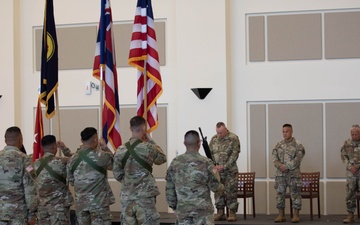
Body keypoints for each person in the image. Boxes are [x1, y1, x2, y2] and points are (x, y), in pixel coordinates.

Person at [113, 116, 167, 225]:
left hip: (127, 197)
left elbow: (117, 174)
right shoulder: (149, 147)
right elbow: (162, 159)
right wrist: (151, 140)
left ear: (130, 128)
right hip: (145, 197)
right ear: (144, 129)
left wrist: (129, 182)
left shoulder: (120, 150)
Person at [166, 130, 224, 225]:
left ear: (184, 143)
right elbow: (217, 188)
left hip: (183, 212)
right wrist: (221, 185)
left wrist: (173, 206)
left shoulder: (175, 163)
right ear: (199, 143)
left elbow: (169, 189)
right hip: (203, 214)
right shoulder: (207, 163)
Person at [67, 127, 115, 225]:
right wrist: (105, 147)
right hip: (99, 204)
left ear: (81, 140)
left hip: (81, 204)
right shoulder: (101, 156)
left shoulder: (72, 159)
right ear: (95, 140)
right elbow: (115, 164)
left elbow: (71, 181)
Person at [31, 135, 74, 224]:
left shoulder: (33, 165)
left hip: (42, 208)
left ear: (42, 147)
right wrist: (65, 149)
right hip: (59, 208)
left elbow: (31, 178)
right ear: (55, 147)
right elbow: (79, 159)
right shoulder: (63, 161)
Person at [0, 126, 37, 225]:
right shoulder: (25, 160)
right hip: (18, 214)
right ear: (21, 139)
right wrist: (32, 214)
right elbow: (30, 188)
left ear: (5, 140)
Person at [272, 124, 305, 223]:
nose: (285, 133)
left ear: (291, 132)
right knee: (280, 194)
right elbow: (274, 159)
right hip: (280, 175)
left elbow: (298, 159)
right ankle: (281, 215)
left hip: (293, 175)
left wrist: (287, 166)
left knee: (295, 194)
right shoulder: (278, 145)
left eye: (287, 131)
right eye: (283, 132)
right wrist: (280, 166)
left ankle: (295, 215)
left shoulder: (298, 145)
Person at [209, 122, 240, 221]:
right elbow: (210, 154)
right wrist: (214, 167)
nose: (219, 135)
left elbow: (234, 155)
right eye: (218, 132)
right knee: (218, 191)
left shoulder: (233, 138)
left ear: (226, 129)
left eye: (221, 133)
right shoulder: (214, 139)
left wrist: (225, 167)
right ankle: (220, 212)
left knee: (231, 192)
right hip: (217, 172)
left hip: (230, 171)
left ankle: (232, 213)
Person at [340, 124, 360, 223]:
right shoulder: (346, 143)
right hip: (351, 174)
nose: (354, 136)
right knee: (350, 194)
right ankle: (350, 215)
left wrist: (356, 166)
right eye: (352, 134)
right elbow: (343, 156)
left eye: (356, 134)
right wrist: (350, 167)